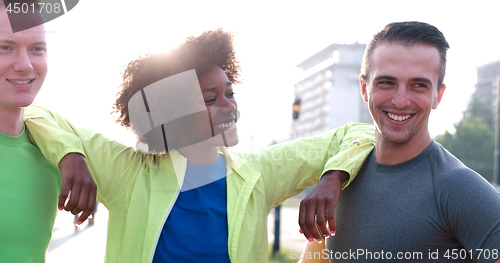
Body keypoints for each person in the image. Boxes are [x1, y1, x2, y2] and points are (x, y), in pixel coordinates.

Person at [23, 29, 375, 262]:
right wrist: (70, 154)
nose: (229, 106)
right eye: (210, 98)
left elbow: (360, 133)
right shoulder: (129, 172)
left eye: (229, 93)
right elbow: (34, 111)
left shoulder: (260, 173)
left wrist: (332, 177)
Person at [298, 21, 500, 262]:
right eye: (387, 82)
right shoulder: (341, 176)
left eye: (418, 85)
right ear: (364, 88)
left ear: (438, 95)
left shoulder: (459, 188)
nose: (401, 101)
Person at [0, 1, 96, 262]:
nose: (25, 65)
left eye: (37, 49)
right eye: (5, 47)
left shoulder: (50, 150)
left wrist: (69, 152)